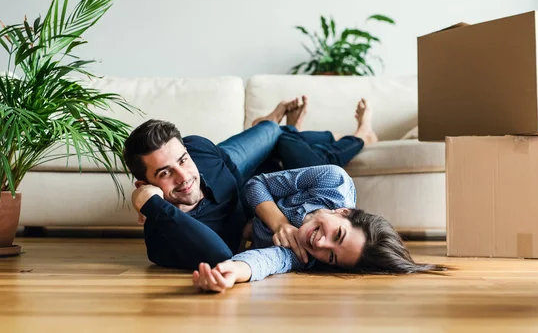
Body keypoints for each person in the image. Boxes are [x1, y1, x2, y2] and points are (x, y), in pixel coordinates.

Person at [123, 96, 378, 270]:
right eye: (165, 173)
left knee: (274, 134)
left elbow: (236, 173)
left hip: (230, 166)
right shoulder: (164, 238)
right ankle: (355, 135)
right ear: (146, 184)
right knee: (291, 146)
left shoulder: (198, 151)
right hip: (259, 181)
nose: (184, 177)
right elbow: (219, 256)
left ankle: (277, 125)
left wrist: (272, 218)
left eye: (182, 159)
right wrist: (150, 203)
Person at [191, 165, 446, 293]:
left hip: (236, 214)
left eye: (332, 256)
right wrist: (279, 223)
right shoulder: (333, 181)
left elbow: (268, 260)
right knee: (263, 136)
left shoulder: (306, 256)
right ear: (344, 211)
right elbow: (256, 184)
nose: (321, 245)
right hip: (262, 172)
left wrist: (233, 271)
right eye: (338, 235)